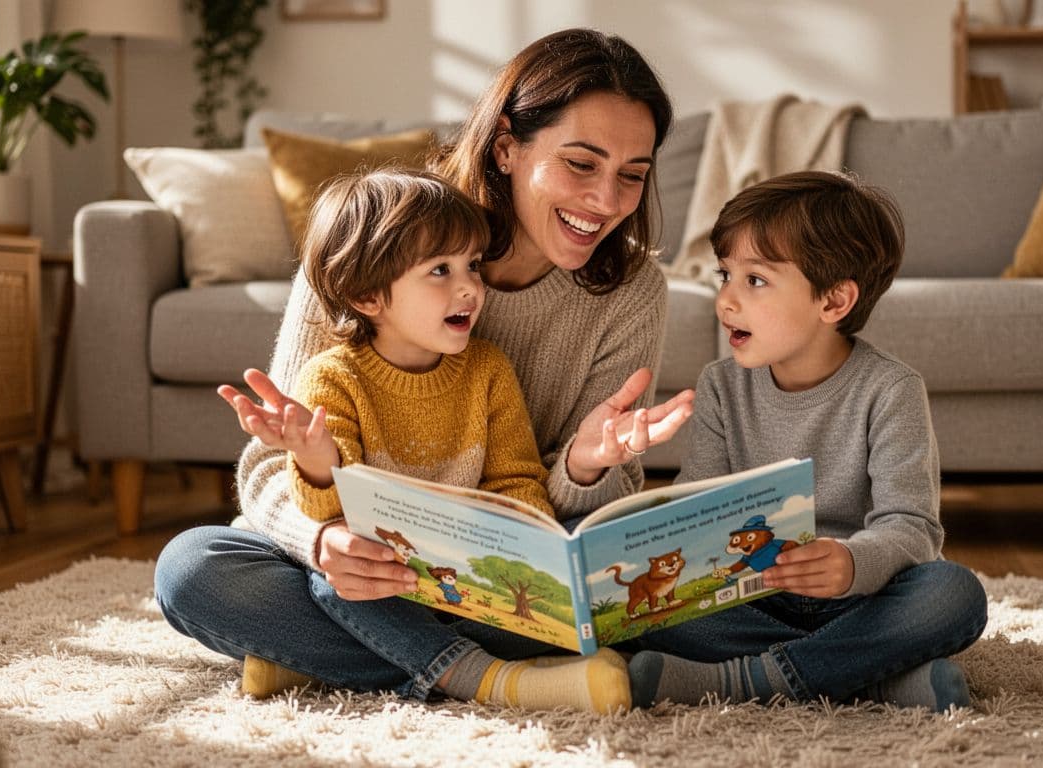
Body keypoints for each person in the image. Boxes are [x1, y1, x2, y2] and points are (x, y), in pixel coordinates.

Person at [154, 28, 694, 715]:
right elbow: (272, 465)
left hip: (498, 579)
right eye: (581, 164)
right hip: (354, 558)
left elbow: (568, 516)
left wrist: (586, 466)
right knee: (193, 569)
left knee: (652, 602)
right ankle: (486, 677)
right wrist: (323, 543)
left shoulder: (632, 290)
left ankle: (326, 657)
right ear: (506, 147)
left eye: (633, 175)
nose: (605, 201)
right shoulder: (378, 236)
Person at [626, 171, 988, 713]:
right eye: (726, 274)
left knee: (954, 594)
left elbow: (913, 529)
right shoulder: (721, 386)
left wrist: (848, 561)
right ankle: (872, 679)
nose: (725, 300)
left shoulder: (891, 391)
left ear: (835, 300)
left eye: (755, 281)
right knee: (641, 608)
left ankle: (745, 681)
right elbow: (698, 509)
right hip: (751, 602)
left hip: (858, 602)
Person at [262, 169, 554, 524]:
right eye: (440, 270)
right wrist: (315, 457)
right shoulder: (332, 379)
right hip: (373, 565)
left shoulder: (488, 369)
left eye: (473, 265)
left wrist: (536, 541)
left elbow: (517, 483)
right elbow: (331, 512)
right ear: (367, 295)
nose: (470, 288)